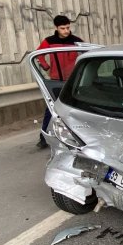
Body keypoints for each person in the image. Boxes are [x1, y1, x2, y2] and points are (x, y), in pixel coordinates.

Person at [35, 15, 84, 149]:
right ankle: (43, 138)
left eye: (68, 27)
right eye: (63, 28)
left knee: (75, 110)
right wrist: (46, 66)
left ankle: (77, 138)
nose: (66, 31)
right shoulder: (49, 41)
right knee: (50, 110)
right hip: (55, 81)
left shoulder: (76, 41)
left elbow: (86, 53)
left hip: (72, 81)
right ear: (56, 28)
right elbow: (39, 54)